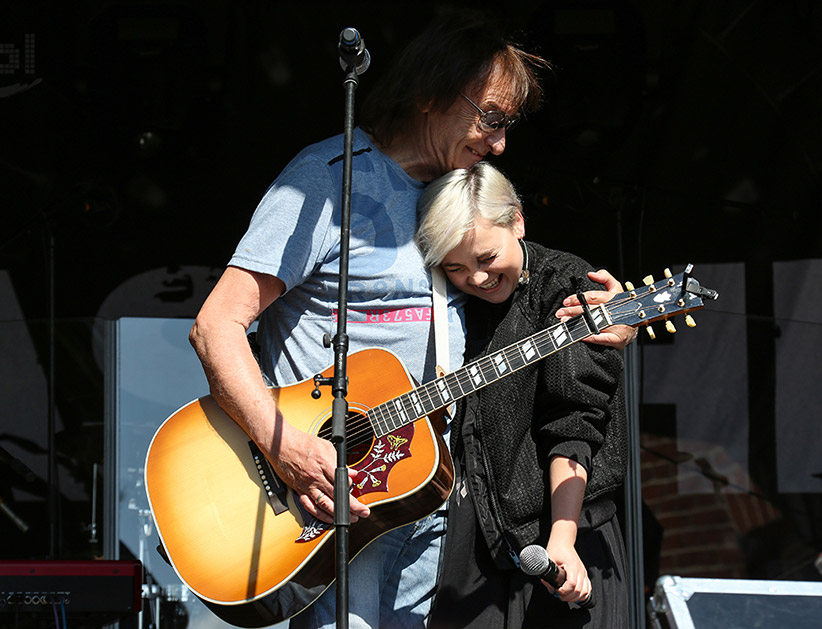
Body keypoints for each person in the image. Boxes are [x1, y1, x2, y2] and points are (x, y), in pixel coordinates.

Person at [189, 11, 632, 629]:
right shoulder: (329, 180)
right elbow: (216, 327)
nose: (501, 143)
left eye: (509, 125)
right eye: (491, 118)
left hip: (428, 495)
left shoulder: (455, 194)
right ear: (430, 97)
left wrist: (600, 312)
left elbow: (518, 275)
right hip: (327, 492)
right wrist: (285, 445)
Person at [417, 162, 629, 628]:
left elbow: (576, 420)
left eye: (486, 258)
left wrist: (563, 536)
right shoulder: (439, 301)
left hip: (565, 533)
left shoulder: (569, 285)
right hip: (474, 537)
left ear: (518, 220)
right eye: (455, 267)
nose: (476, 278)